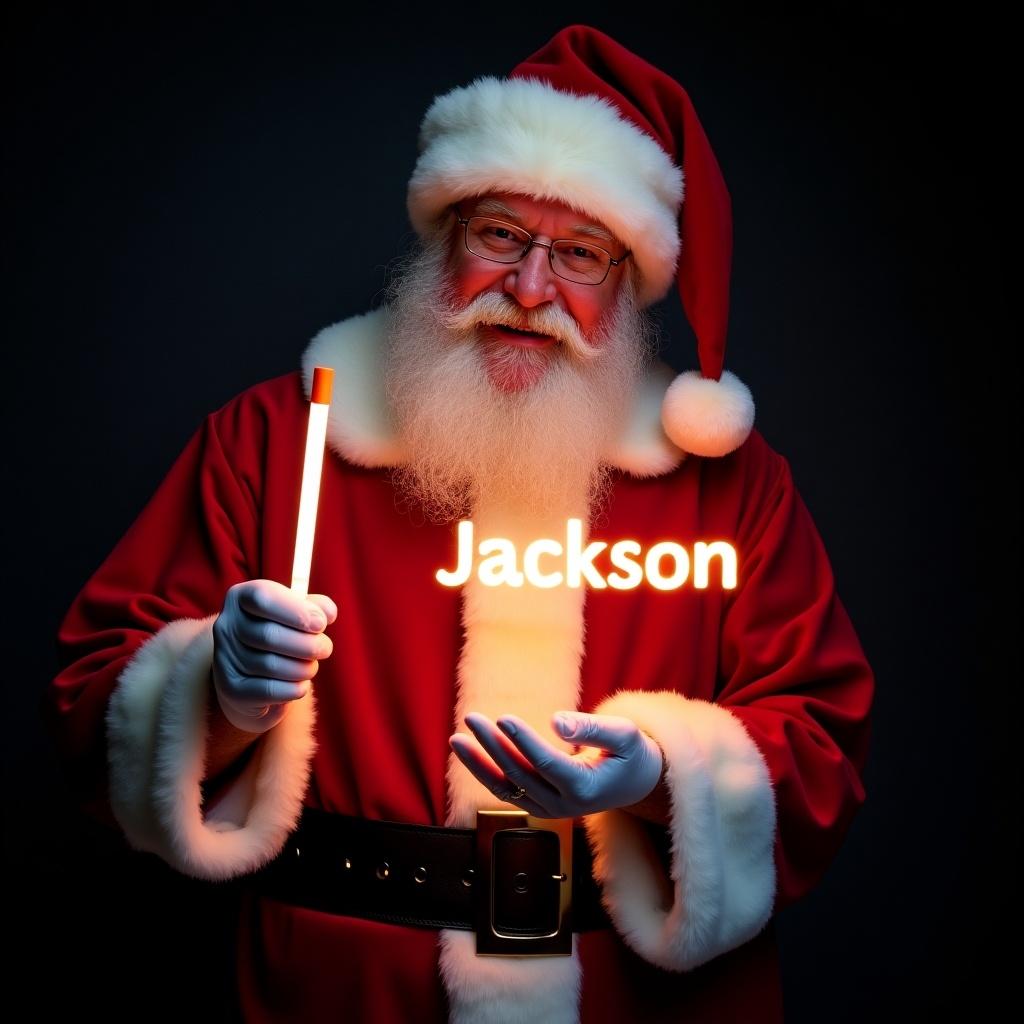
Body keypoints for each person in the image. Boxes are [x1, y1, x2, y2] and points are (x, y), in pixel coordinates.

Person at [45, 24, 874, 1024]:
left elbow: (820, 742)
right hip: (346, 993)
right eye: (498, 236)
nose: (530, 291)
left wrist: (663, 773)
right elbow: (91, 701)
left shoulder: (727, 484)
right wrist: (216, 689)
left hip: (640, 997)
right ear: (445, 236)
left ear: (629, 280)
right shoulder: (278, 439)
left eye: (578, 254)